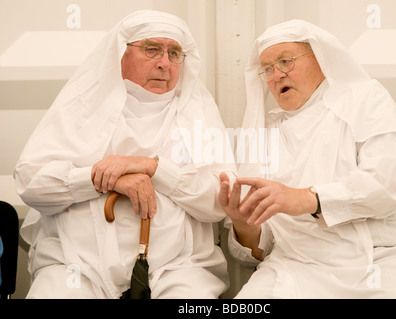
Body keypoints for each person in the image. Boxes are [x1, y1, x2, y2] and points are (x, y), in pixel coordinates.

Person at [219, 19, 396, 298]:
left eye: (285, 61)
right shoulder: (266, 134)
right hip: (297, 267)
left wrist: (306, 198)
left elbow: (390, 186)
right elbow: (258, 251)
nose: (276, 75)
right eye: (267, 68)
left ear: (320, 58)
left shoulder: (365, 99)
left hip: (384, 259)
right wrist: (245, 224)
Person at [15, 10, 235, 299]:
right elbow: (32, 186)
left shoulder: (198, 111)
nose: (164, 63)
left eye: (174, 53)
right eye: (152, 50)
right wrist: (103, 179)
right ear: (121, 55)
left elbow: (221, 201)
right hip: (75, 265)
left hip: (179, 269)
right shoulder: (82, 105)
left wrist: (153, 169)